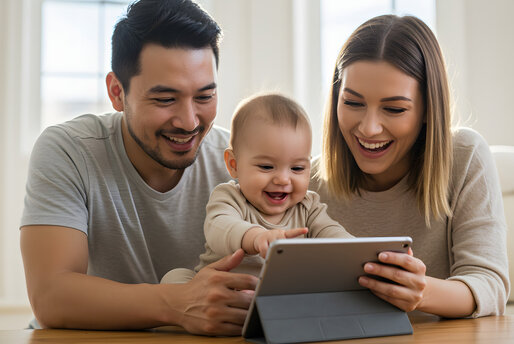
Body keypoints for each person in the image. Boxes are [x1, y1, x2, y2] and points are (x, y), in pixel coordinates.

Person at [20, 0, 258, 335]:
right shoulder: (69, 150)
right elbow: (50, 297)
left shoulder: (239, 162)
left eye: (204, 97)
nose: (190, 121)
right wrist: (177, 303)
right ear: (117, 92)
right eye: (165, 99)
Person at [310, 14, 510, 318]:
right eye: (352, 103)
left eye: (393, 108)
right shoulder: (307, 182)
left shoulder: (465, 157)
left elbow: (489, 285)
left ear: (429, 109)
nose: (369, 128)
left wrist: (423, 292)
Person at [161, 93, 353, 284]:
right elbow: (220, 227)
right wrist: (256, 237)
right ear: (234, 165)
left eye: (297, 168)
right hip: (218, 293)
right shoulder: (229, 197)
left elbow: (331, 231)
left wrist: (356, 249)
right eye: (266, 167)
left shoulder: (308, 207)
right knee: (175, 278)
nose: (282, 179)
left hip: (275, 296)